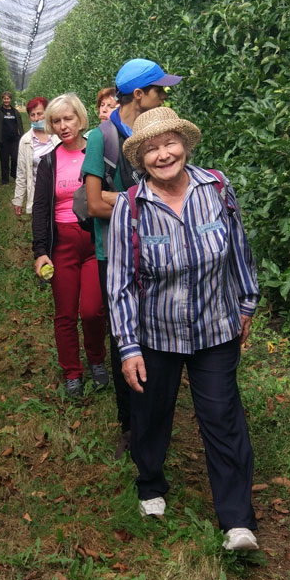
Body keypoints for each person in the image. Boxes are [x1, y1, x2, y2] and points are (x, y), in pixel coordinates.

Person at [106, 106, 261, 552]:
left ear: (185, 145)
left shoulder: (217, 188)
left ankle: (237, 520)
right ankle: (150, 482)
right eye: (151, 149)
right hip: (157, 332)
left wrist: (247, 301)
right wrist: (128, 347)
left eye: (169, 143)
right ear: (140, 159)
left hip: (215, 326)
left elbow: (238, 248)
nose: (163, 154)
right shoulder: (131, 206)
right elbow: (119, 283)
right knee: (152, 413)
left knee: (223, 416)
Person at [81, 62, 175, 458]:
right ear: (139, 94)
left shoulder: (159, 132)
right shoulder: (102, 137)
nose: (164, 95)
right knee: (124, 335)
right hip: (116, 252)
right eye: (159, 90)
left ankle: (154, 413)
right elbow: (92, 203)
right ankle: (130, 424)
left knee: (157, 328)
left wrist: (120, 202)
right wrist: (144, 209)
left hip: (160, 249)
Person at [31, 94, 108, 398]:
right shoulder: (49, 162)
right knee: (65, 312)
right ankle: (72, 372)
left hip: (94, 239)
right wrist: (40, 251)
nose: (63, 126)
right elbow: (40, 209)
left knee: (92, 310)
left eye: (68, 119)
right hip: (62, 243)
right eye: (56, 121)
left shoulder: (96, 154)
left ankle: (96, 359)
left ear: (80, 119)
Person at [12, 96, 59, 217]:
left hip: (59, 191)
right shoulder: (26, 141)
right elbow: (22, 172)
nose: (36, 118)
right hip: (39, 194)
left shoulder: (58, 135)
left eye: (40, 114)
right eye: (32, 115)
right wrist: (18, 199)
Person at [0, 91, 24, 185]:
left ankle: (14, 174)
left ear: (10, 100)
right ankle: (5, 180)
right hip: (3, 140)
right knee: (4, 160)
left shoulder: (15, 112)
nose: (6, 100)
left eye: (8, 98)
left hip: (14, 139)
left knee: (15, 158)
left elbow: (19, 124)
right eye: (4, 98)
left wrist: (21, 135)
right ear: (2, 99)